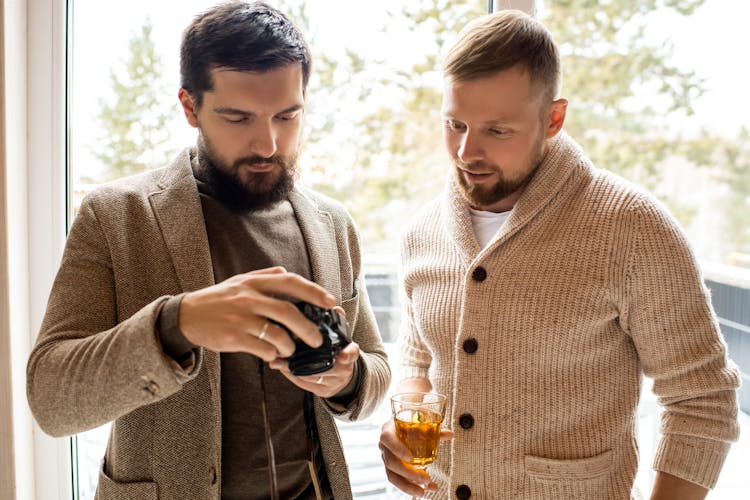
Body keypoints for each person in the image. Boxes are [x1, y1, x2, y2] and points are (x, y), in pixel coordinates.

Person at [26, 2, 390, 499]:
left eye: (287, 115)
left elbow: (374, 368)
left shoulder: (333, 223)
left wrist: (348, 379)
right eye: (238, 117)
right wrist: (179, 324)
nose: (267, 143)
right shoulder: (115, 215)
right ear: (190, 106)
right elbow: (51, 400)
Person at [378, 9, 740, 500]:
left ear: (553, 118)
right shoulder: (422, 231)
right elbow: (418, 363)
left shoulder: (632, 227)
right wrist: (403, 418)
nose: (467, 151)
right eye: (454, 124)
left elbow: (702, 399)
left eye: (496, 131)